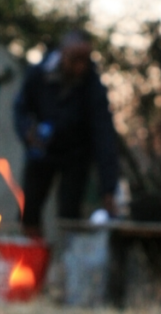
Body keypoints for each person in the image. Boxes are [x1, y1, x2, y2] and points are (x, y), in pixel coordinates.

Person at [14, 29, 119, 236]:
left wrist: (108, 188)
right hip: (42, 149)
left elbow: (104, 134)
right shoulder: (38, 74)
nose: (80, 66)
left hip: (76, 155)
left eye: (85, 60)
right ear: (62, 53)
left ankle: (66, 259)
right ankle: (31, 256)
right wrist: (27, 132)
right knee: (30, 207)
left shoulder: (93, 86)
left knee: (69, 215)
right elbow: (20, 108)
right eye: (74, 59)